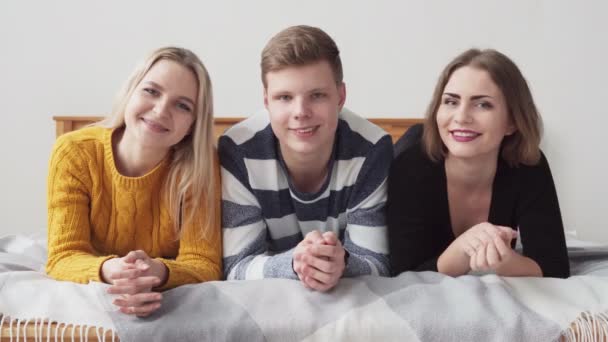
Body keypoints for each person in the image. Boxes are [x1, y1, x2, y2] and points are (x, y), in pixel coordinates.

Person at [46, 47, 222, 316]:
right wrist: (112, 270)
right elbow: (63, 256)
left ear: (192, 124)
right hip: (101, 284)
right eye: (151, 91)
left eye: (182, 105)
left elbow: (204, 263)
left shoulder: (199, 166)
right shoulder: (74, 152)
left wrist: (157, 272)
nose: (161, 110)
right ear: (130, 91)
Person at [219, 25, 392, 291]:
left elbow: (377, 265)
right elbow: (236, 267)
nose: (301, 112)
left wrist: (341, 262)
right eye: (284, 97)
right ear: (266, 101)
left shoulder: (371, 149)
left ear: (341, 97)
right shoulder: (239, 150)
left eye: (317, 95)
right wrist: (295, 263)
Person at [387, 48, 570, 278]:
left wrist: (504, 261)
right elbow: (401, 273)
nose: (462, 116)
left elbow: (555, 269)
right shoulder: (410, 166)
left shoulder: (528, 164)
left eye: (483, 104)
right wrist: (462, 249)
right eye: (451, 101)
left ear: (512, 121)